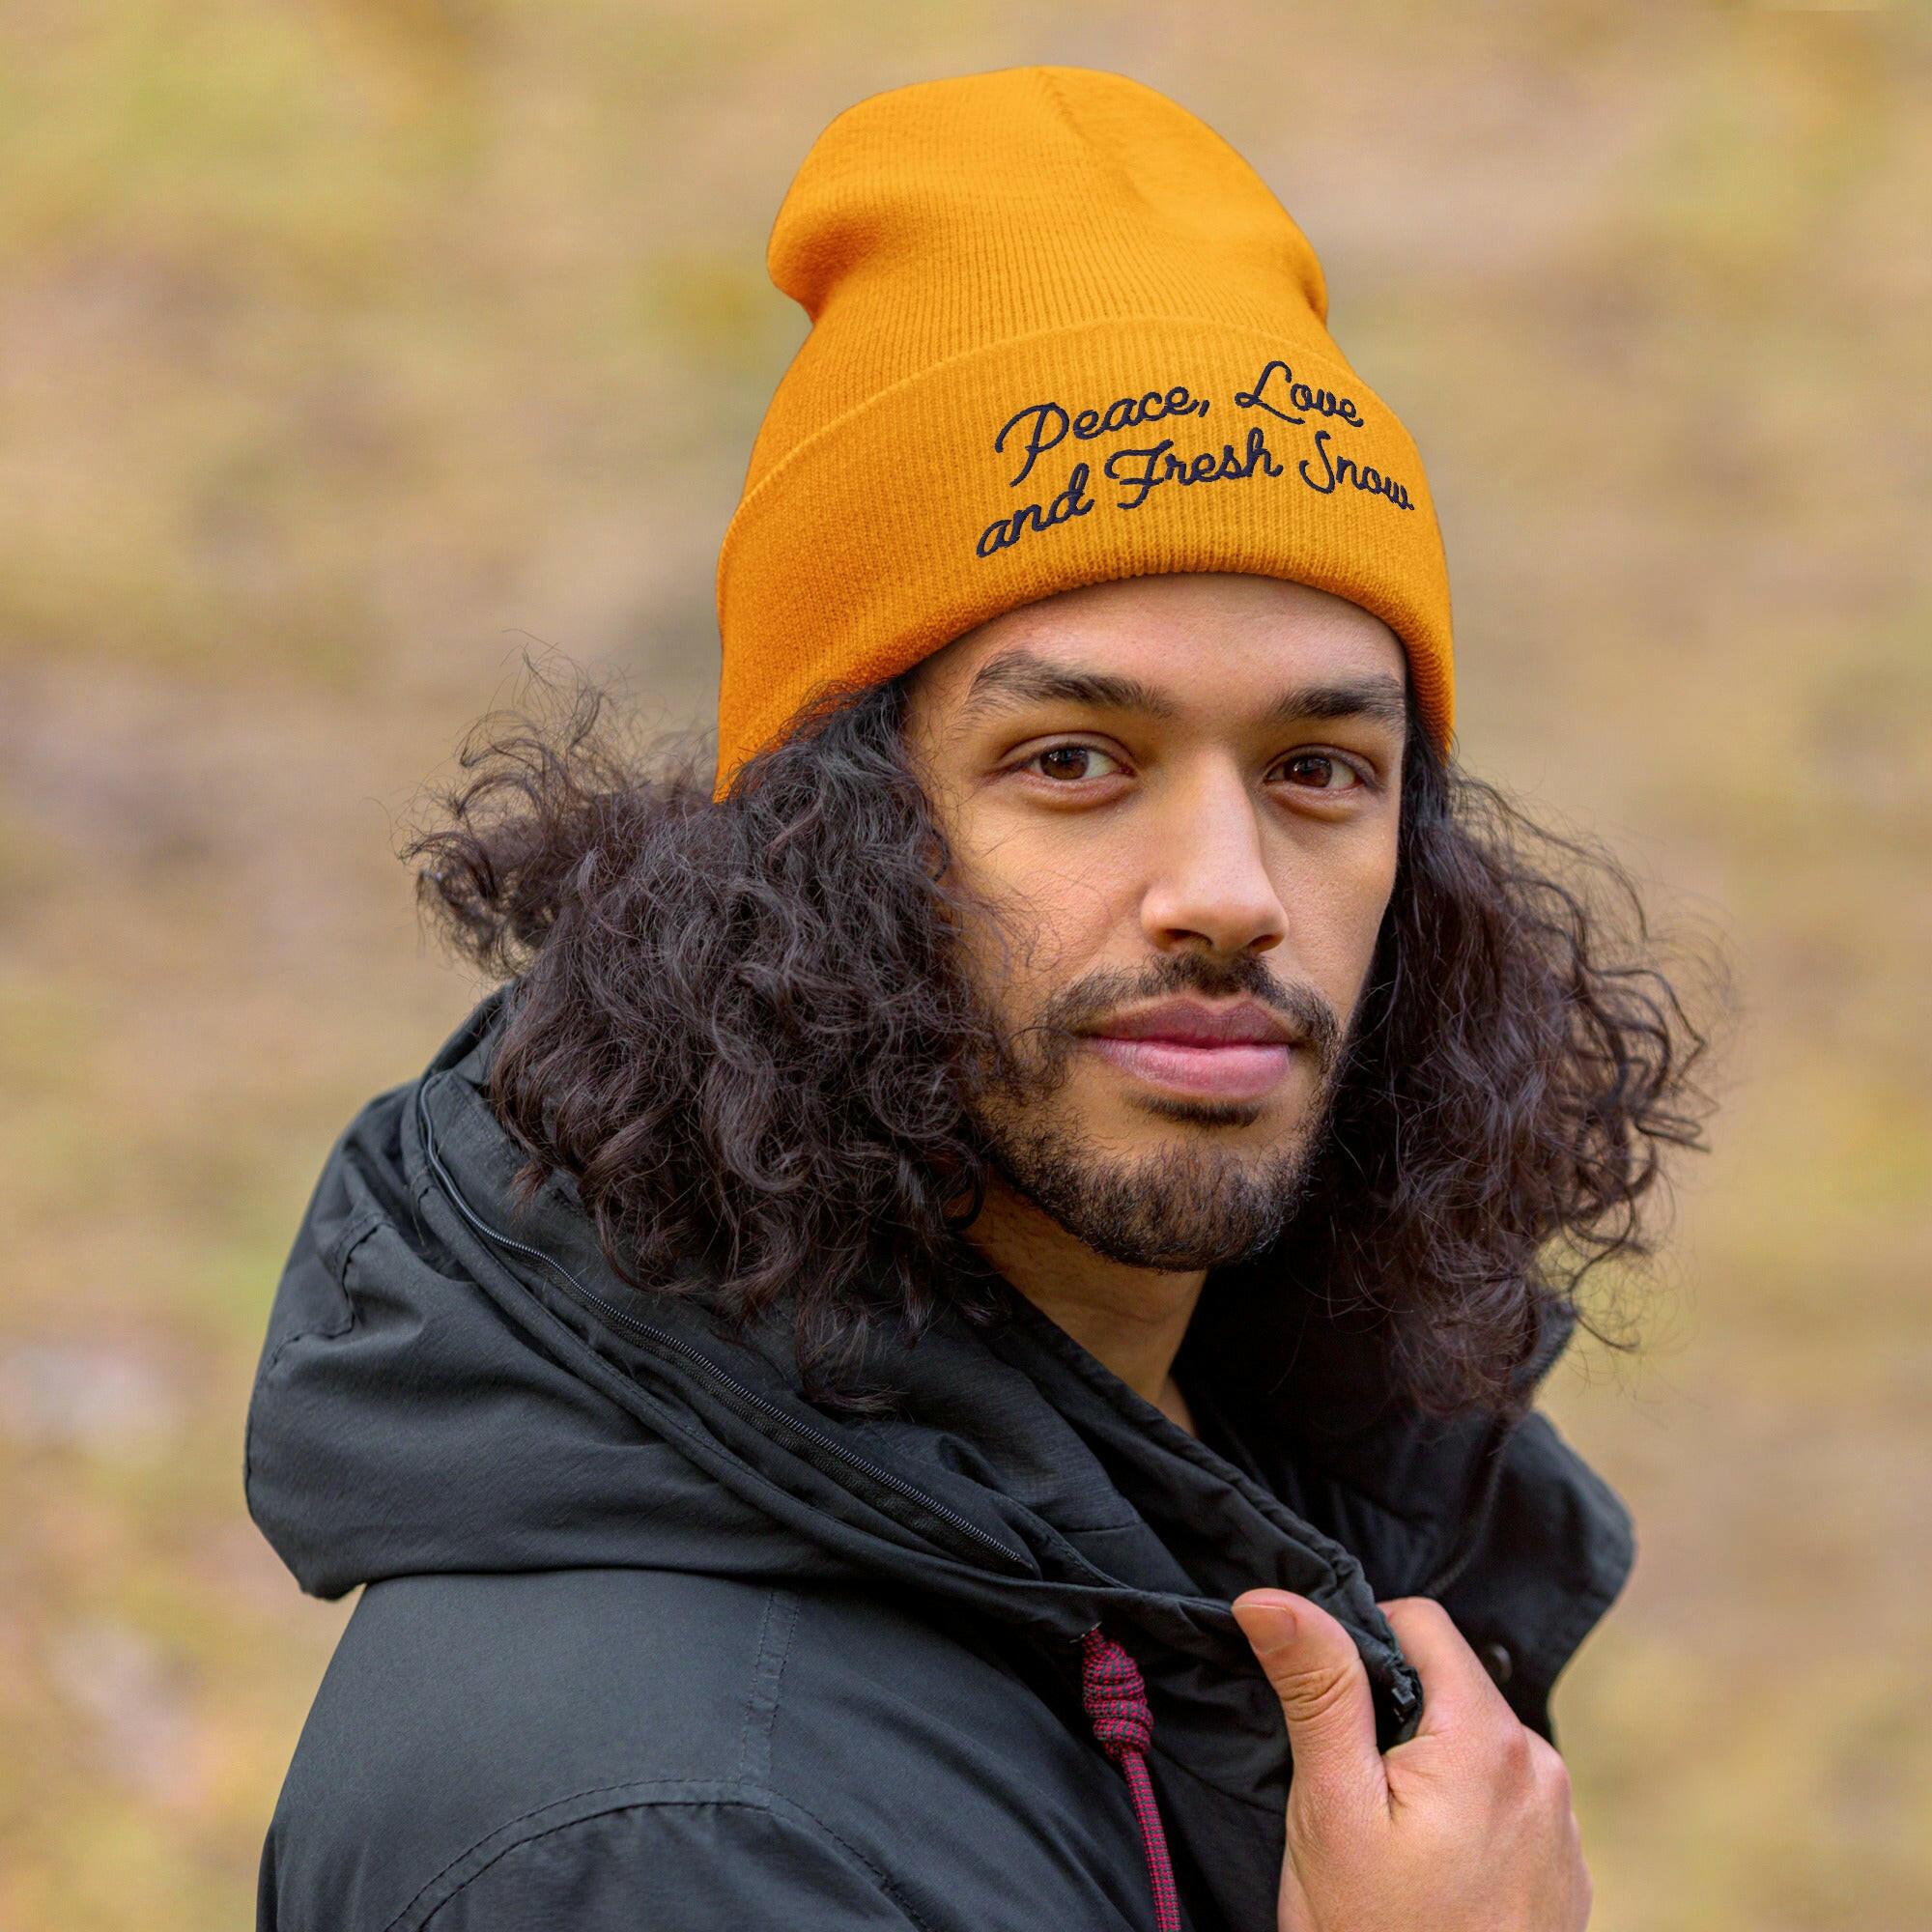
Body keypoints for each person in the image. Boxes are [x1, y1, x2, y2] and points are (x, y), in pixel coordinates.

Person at [249, 68, 1709, 1932]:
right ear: (820, 846)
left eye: (1320, 769)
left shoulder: (1236, 1479)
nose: (1231, 896)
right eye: (1076, 761)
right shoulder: (667, 1835)